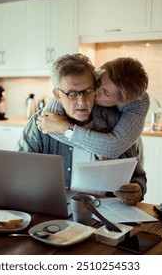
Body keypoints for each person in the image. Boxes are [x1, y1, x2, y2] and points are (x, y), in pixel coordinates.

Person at [16, 53, 147, 205]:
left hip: (106, 214)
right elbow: (18, 173)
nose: (82, 102)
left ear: (95, 88)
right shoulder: (40, 123)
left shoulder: (114, 122)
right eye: (72, 94)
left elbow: (138, 177)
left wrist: (137, 189)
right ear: (57, 95)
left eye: (87, 91)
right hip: (54, 211)